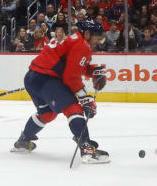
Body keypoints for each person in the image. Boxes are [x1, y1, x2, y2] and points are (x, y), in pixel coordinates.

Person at [11, 21, 110, 164]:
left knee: (47, 113)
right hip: (46, 78)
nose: (99, 41)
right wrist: (85, 98)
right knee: (73, 108)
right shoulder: (82, 46)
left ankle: (23, 141)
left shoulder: (75, 40)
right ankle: (87, 149)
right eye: (97, 37)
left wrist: (92, 70)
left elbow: (72, 65)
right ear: (87, 34)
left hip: (33, 77)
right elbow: (70, 77)